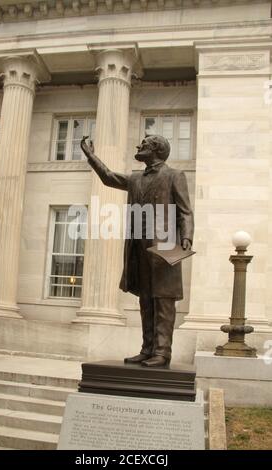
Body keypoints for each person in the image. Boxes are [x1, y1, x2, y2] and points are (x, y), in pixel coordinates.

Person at [81, 135, 194, 367]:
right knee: (146, 300)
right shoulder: (135, 179)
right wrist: (91, 156)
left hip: (165, 246)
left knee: (163, 300)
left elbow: (185, 211)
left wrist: (186, 237)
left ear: (157, 149)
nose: (138, 146)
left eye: (144, 144)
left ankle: (162, 353)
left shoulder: (174, 176)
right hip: (139, 248)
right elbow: (109, 178)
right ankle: (147, 349)